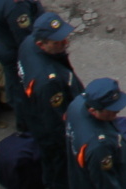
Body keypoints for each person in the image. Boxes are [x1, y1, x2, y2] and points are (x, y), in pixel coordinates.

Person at [18, 12, 84, 189]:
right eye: (58, 42)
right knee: (58, 170)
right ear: (42, 44)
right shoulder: (49, 81)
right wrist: (71, 142)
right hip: (49, 130)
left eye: (64, 37)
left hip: (33, 111)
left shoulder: (28, 44)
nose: (65, 43)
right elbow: (56, 122)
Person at [65, 79, 126, 189]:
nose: (117, 112)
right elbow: (106, 183)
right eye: (111, 110)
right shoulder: (100, 146)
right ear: (93, 111)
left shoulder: (77, 104)